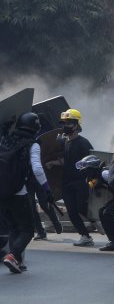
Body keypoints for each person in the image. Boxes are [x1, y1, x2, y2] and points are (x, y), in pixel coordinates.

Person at [0, 112, 53, 273]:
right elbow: (37, 168)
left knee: (14, 227)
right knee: (28, 230)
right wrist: (46, 188)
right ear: (35, 128)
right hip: (19, 192)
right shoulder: (33, 144)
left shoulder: (6, 139)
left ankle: (18, 261)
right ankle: (13, 255)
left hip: (2, 193)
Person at [46, 109, 94, 247]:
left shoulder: (84, 143)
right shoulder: (64, 142)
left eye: (68, 123)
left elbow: (92, 161)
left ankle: (98, 221)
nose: (65, 126)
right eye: (64, 123)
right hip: (67, 182)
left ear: (76, 125)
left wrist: (90, 180)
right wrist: (52, 163)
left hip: (80, 181)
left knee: (81, 207)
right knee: (72, 211)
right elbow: (66, 160)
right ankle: (85, 236)